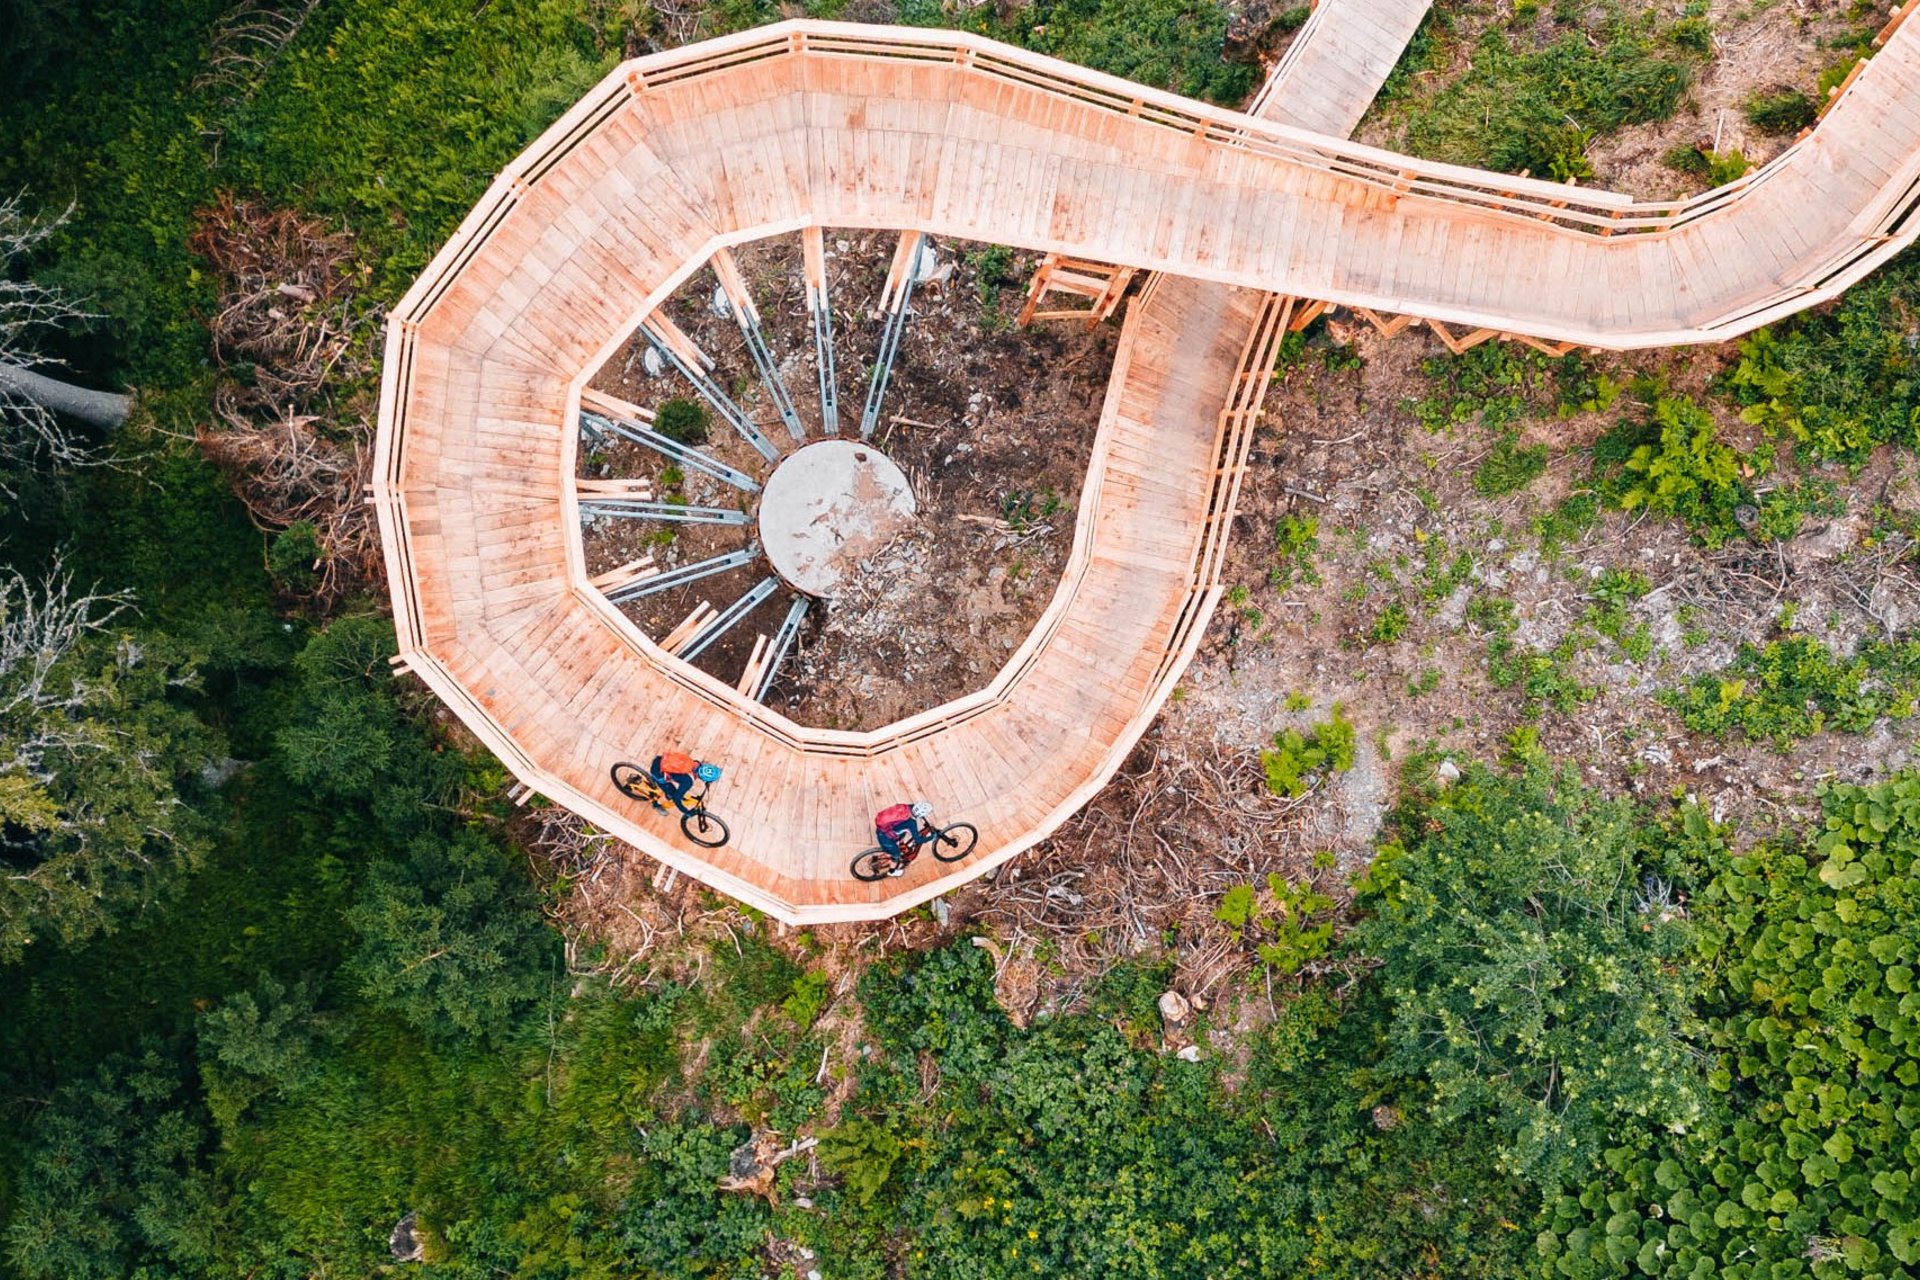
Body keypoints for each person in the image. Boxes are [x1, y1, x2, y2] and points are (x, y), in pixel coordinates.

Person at [873, 801, 933, 875]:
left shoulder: (907, 808)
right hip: (886, 838)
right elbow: (918, 840)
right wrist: (931, 838)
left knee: (902, 834)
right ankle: (892, 872)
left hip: (884, 830)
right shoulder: (911, 823)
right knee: (896, 854)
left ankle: (878, 857)